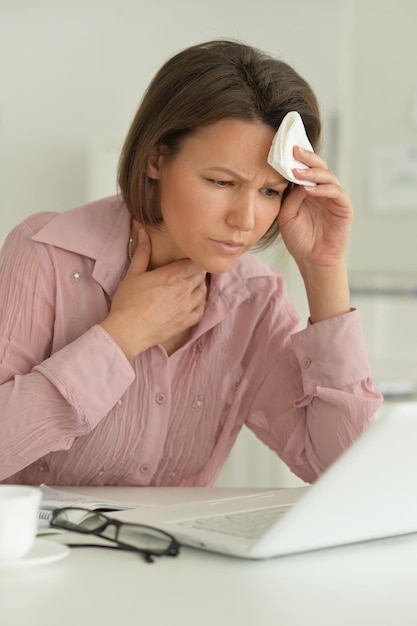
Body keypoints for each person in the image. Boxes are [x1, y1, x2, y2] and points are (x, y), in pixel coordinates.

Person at [0, 39, 382, 487]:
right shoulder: (46, 253)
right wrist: (119, 338)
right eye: (221, 181)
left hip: (179, 559)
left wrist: (324, 270)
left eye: (269, 192)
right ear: (156, 158)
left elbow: (337, 472)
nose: (245, 221)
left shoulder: (255, 300)